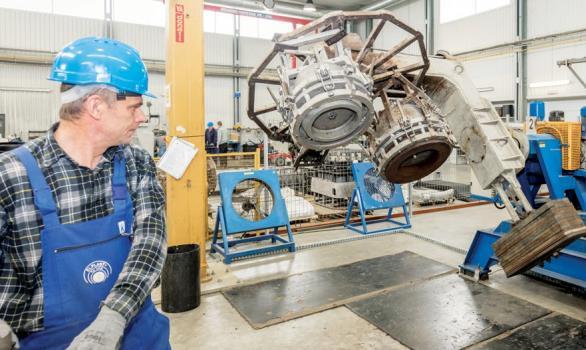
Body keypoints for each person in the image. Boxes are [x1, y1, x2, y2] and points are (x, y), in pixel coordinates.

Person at [0, 37, 170, 349]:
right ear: (95, 106)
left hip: (138, 332)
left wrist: (113, 317)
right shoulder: (10, 177)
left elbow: (151, 242)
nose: (143, 117)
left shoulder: (136, 163)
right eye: (135, 107)